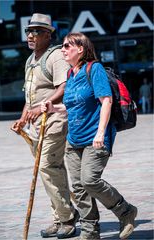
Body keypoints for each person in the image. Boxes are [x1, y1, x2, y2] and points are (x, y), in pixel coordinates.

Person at [41, 32, 138, 240]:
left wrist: (101, 132)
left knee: (89, 180)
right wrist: (53, 108)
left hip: (96, 137)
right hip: (73, 139)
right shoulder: (70, 74)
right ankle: (90, 232)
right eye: (62, 46)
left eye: (67, 46)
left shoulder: (94, 69)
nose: (63, 49)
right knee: (79, 188)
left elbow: (106, 101)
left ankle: (125, 211)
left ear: (81, 49)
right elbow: (72, 106)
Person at [11, 14, 79, 239]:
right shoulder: (30, 60)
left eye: (37, 31)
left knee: (47, 167)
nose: (31, 35)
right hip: (36, 124)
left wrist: (40, 107)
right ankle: (60, 217)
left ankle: (68, 218)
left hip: (55, 120)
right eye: (28, 31)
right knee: (49, 171)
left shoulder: (56, 56)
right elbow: (29, 99)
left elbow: (63, 89)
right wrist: (23, 118)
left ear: (49, 34)